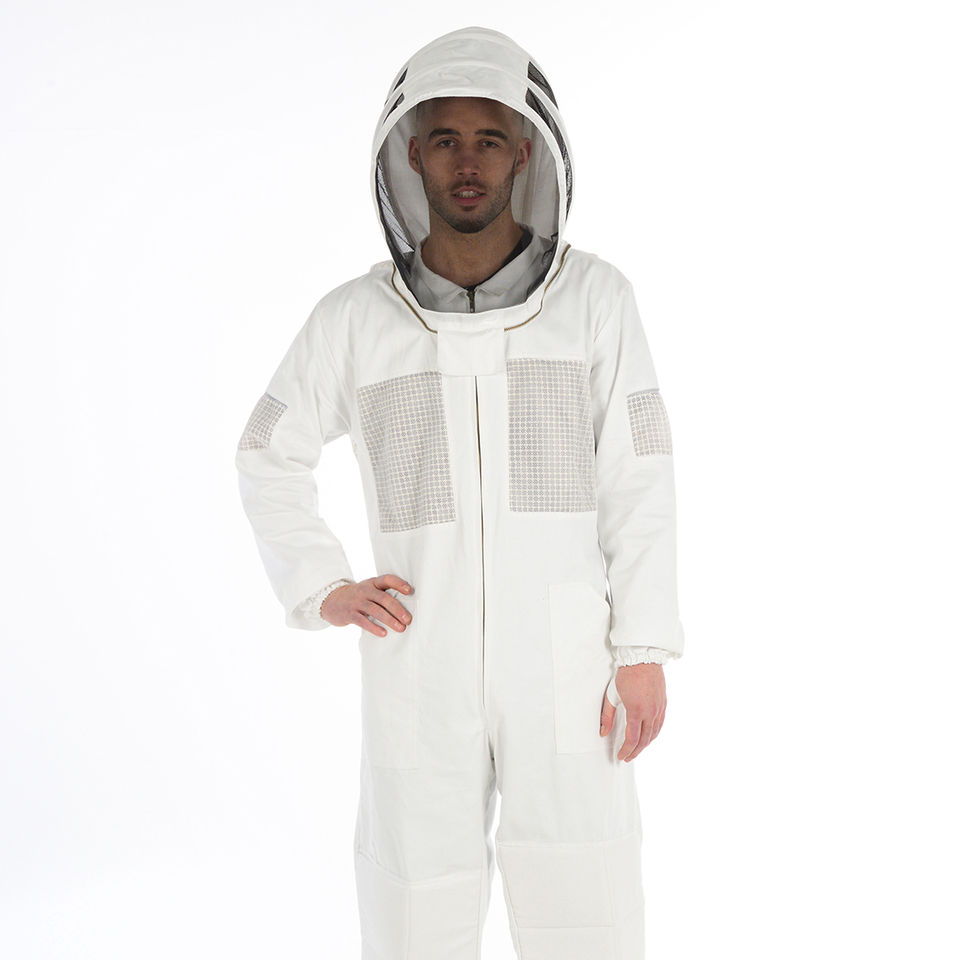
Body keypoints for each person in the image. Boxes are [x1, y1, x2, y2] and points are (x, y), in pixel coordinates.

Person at [235, 24, 685, 960]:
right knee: (415, 901)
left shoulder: (596, 303)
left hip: (567, 659)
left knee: (585, 893)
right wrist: (323, 586)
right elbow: (267, 451)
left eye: (489, 139)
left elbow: (639, 477)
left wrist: (641, 646)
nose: (467, 162)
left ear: (525, 153)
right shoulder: (355, 322)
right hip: (418, 655)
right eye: (446, 140)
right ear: (411, 154)